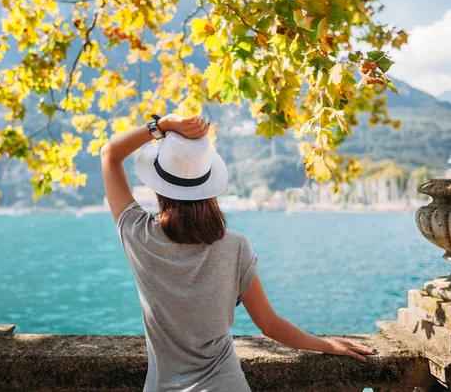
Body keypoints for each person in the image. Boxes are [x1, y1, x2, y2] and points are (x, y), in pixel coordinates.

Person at [101, 113, 375, 392]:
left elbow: (110, 155)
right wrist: (327, 344)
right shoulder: (235, 246)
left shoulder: (139, 235)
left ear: (159, 185)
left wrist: (162, 126)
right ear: (208, 187)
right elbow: (270, 325)